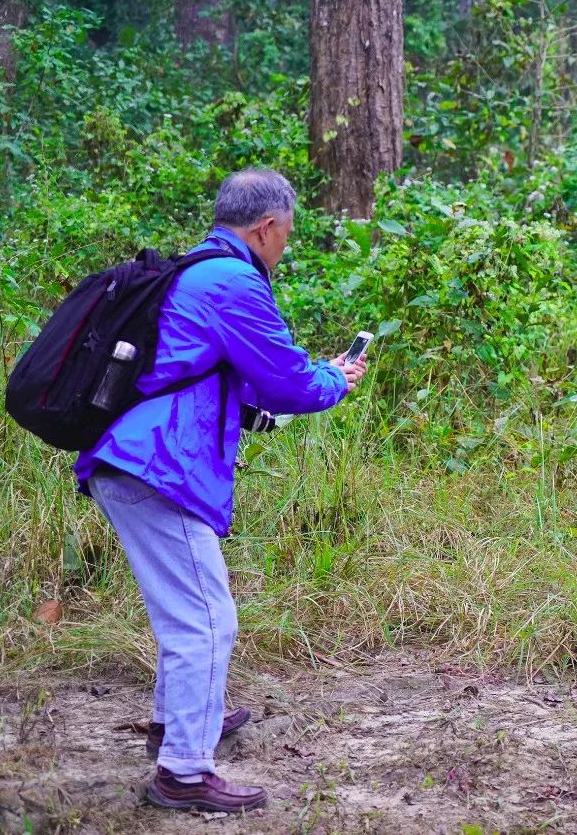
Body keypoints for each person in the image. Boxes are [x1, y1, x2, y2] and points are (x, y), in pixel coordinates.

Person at [73, 168, 367, 813]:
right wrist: (336, 380)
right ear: (266, 227)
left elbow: (231, 378)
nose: (284, 246)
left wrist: (290, 389)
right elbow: (291, 382)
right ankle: (183, 771)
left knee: (187, 613)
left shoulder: (197, 269)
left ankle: (172, 726)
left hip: (139, 458)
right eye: (285, 235)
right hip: (159, 468)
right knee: (208, 621)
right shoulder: (231, 279)